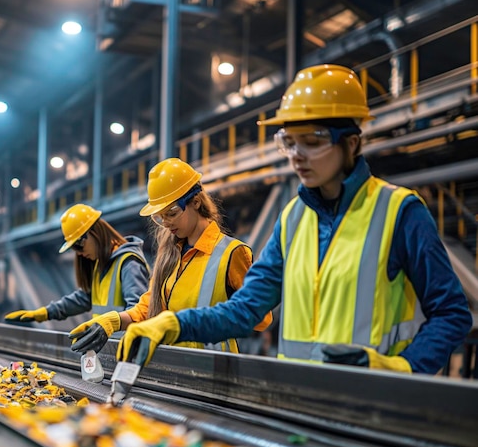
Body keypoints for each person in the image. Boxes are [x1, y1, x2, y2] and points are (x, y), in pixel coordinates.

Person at [117, 64, 473, 375]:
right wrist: (173, 323)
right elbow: (246, 308)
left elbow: (451, 314)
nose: (297, 156)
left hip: (376, 408)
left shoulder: (399, 213)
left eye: (312, 141)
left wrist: (402, 368)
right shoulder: (293, 221)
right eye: (289, 142)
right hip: (303, 406)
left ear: (351, 143)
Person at [69, 158, 272, 354]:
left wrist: (212, 320)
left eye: (172, 213)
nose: (166, 223)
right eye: (159, 217)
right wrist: (112, 321)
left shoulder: (231, 253)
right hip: (176, 369)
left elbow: (260, 318)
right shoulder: (169, 256)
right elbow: (147, 308)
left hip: (216, 375)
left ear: (195, 201)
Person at [4, 204, 150, 325]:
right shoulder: (101, 263)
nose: (78, 253)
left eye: (79, 246)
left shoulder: (128, 263)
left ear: (94, 233)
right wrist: (47, 312)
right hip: (108, 349)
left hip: (125, 352)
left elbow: (138, 314)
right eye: (74, 249)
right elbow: (84, 298)